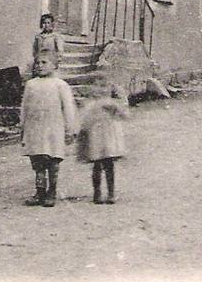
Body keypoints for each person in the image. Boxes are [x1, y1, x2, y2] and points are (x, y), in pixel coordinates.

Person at [20, 54, 78, 207]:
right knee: (38, 161)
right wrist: (23, 128)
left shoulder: (60, 85)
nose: (39, 65)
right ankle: (40, 192)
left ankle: (51, 192)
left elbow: (68, 108)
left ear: (54, 65)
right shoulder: (31, 84)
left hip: (54, 128)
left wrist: (69, 130)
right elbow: (24, 108)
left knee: (53, 161)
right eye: (37, 63)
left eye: (44, 62)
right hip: (35, 129)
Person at [78, 84, 130, 204]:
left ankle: (111, 193)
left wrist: (117, 107)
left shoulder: (112, 104)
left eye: (104, 87)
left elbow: (125, 115)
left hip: (109, 139)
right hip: (95, 138)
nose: (100, 90)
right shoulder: (90, 105)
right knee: (96, 165)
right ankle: (97, 192)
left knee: (109, 165)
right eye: (97, 86)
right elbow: (83, 122)